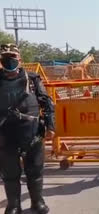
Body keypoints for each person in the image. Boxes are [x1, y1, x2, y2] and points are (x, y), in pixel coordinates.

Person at [0, 43, 55, 214]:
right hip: (5, 134)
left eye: (13, 57)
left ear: (20, 59)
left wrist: (50, 126)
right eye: (5, 57)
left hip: (31, 133)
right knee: (10, 173)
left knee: (35, 170)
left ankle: (37, 202)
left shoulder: (32, 79)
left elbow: (46, 102)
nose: (9, 60)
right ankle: (14, 205)